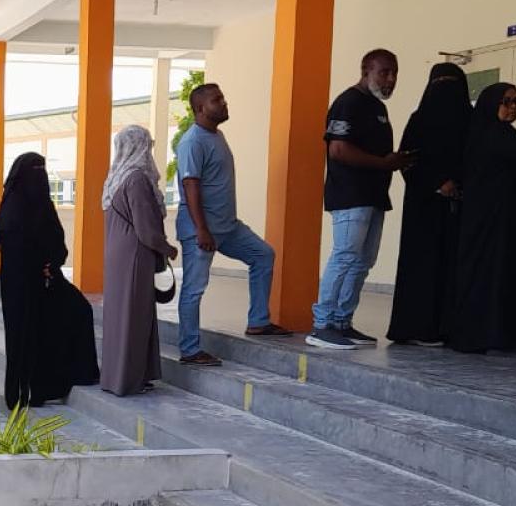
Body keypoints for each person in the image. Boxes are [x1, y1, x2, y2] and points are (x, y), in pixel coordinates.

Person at [174, 82, 287, 368]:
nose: (224, 103)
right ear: (201, 108)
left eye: (223, 98)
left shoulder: (217, 135)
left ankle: (258, 321)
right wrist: (201, 229)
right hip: (201, 229)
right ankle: (190, 350)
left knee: (263, 255)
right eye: (217, 100)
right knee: (194, 289)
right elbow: (190, 185)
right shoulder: (192, 142)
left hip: (228, 227)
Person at [307, 49, 413, 351]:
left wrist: (394, 161)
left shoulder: (377, 107)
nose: (390, 79)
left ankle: (342, 321)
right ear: (366, 70)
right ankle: (322, 324)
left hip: (374, 194)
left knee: (364, 260)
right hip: (350, 194)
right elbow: (338, 150)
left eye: (394, 73)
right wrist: (383, 163)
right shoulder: (348, 102)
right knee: (345, 255)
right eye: (384, 72)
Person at [0, 152, 99, 408]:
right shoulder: (12, 208)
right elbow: (4, 244)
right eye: (34, 170)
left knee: (78, 311)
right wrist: (37, 264)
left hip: (46, 280)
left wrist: (52, 263)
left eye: (42, 169)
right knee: (22, 336)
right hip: (20, 283)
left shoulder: (41, 205)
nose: (39, 176)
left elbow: (56, 241)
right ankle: (19, 392)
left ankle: (47, 385)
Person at [387, 63, 471, 346]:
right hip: (424, 206)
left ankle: (451, 327)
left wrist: (460, 184)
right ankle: (418, 328)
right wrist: (437, 182)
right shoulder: (419, 120)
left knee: (454, 265)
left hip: (461, 206)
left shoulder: (471, 121)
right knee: (424, 265)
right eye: (441, 83)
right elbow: (407, 160)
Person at [447, 82, 516, 354]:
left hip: (498, 217)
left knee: (498, 272)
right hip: (487, 218)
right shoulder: (491, 134)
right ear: (490, 104)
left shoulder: (498, 133)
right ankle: (485, 334)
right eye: (506, 101)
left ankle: (494, 332)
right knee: (487, 272)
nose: (512, 108)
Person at [102, 125, 177, 395]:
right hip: (134, 254)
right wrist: (167, 248)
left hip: (118, 254)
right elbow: (146, 229)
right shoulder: (136, 179)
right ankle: (128, 381)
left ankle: (123, 376)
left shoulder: (116, 178)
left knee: (123, 316)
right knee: (134, 316)